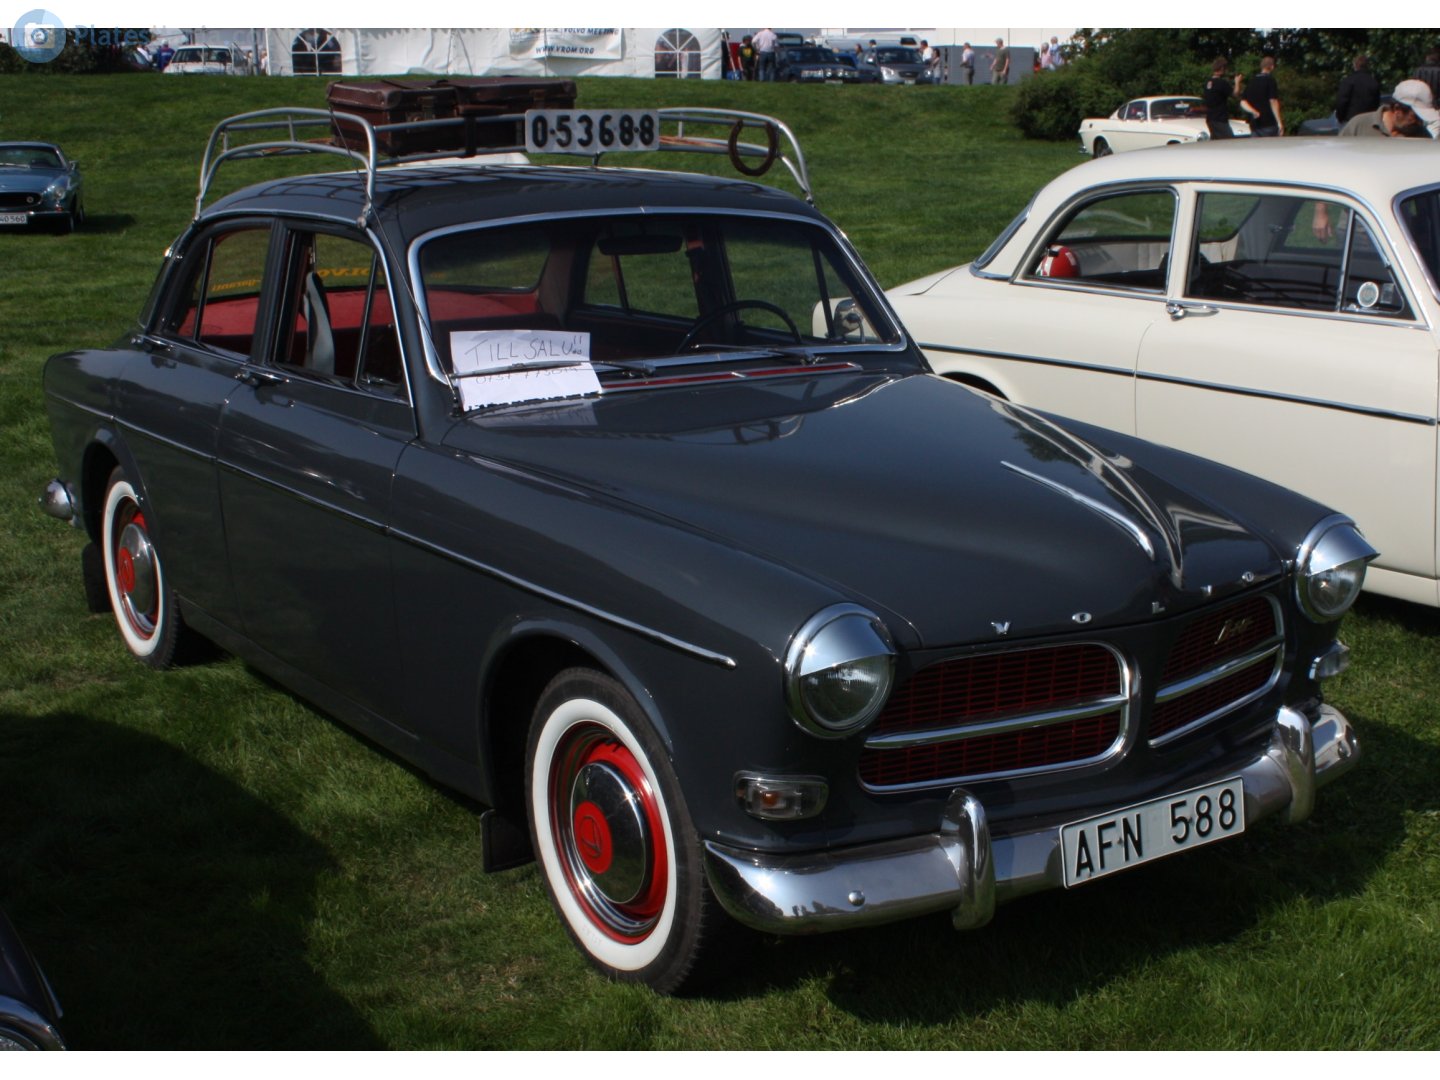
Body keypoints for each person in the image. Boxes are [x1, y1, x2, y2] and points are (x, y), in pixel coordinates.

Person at [1338, 78, 1440, 138]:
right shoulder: (1359, 125)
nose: (1419, 122)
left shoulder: (1421, 135)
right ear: (1397, 109)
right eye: (1416, 117)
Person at [1241, 55, 1284, 136]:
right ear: (1272, 67)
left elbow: (1243, 102)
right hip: (1269, 123)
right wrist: (1279, 122)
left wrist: (1253, 111)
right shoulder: (1270, 80)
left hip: (1254, 124)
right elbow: (1273, 101)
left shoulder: (1252, 80)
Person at [1202, 56, 1242, 139]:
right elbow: (1235, 94)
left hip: (1210, 118)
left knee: (1216, 143)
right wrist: (1237, 82)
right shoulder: (1221, 83)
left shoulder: (1207, 83)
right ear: (1222, 68)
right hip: (1220, 118)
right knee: (1229, 142)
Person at [1336, 54, 1381, 124]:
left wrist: (1340, 117)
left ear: (1355, 65)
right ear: (1367, 66)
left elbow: (1342, 101)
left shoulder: (1349, 81)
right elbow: (1376, 103)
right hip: (1368, 121)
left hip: (1350, 120)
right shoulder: (1373, 82)